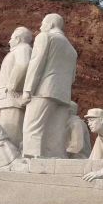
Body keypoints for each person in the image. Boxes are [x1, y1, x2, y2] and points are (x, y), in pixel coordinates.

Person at [21, 14, 77, 158]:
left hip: (44, 90)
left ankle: (31, 158)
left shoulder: (45, 37)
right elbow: (72, 77)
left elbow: (36, 63)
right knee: (56, 132)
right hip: (63, 95)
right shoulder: (72, 50)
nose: (40, 27)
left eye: (42, 23)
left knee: (33, 126)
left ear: (51, 24)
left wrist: (28, 90)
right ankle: (54, 159)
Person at [0, 26, 32, 148]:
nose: (9, 41)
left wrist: (12, 85)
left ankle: (12, 156)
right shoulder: (19, 50)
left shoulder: (23, 48)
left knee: (11, 136)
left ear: (18, 39)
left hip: (12, 98)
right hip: (9, 98)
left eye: (11, 38)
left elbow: (23, 64)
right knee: (8, 132)